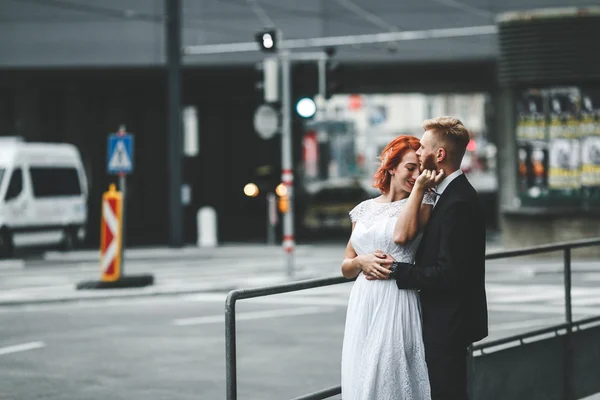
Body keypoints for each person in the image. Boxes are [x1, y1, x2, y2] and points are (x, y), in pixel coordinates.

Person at [373, 117, 488, 400]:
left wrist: (397, 269)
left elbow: (449, 273)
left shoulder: (458, 202)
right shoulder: (448, 194)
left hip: (449, 323)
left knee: (446, 392)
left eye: (423, 147)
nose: (419, 152)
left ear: (439, 155)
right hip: (446, 320)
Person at [340, 135, 444, 400]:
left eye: (420, 169)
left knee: (386, 374)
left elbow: (402, 236)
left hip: (396, 298)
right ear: (391, 166)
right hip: (364, 300)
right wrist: (360, 262)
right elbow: (346, 266)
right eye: (410, 168)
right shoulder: (362, 210)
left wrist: (420, 188)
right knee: (362, 372)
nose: (415, 174)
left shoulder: (424, 203)